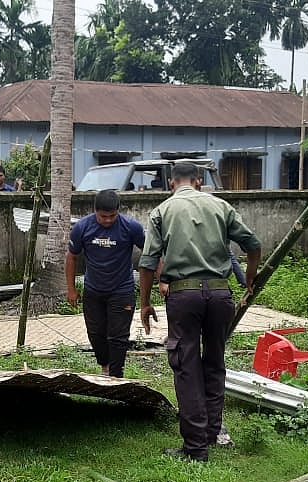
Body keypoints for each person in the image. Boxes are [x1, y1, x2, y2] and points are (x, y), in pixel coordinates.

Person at [138, 161, 261, 463]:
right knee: (215, 362)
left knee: (186, 366)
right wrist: (250, 277)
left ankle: (195, 447)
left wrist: (145, 303)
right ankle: (212, 432)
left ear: (171, 183)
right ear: (198, 181)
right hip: (220, 295)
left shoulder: (162, 211)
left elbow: (148, 262)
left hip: (184, 296)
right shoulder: (220, 206)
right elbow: (253, 244)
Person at [65, 190, 145, 378]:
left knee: (118, 336)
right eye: (103, 216)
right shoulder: (82, 228)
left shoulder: (131, 227)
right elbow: (72, 258)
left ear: (118, 211)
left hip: (122, 289)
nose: (108, 220)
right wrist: (71, 289)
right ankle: (105, 366)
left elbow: (151, 253)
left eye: (112, 216)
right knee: (96, 333)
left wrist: (162, 279)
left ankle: (116, 376)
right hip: (93, 290)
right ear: (95, 211)